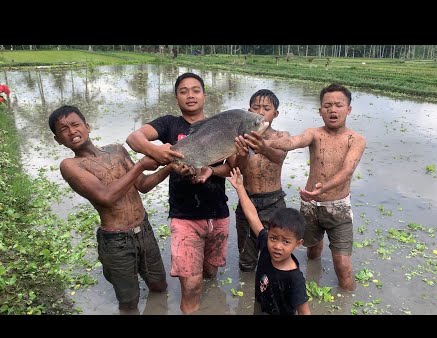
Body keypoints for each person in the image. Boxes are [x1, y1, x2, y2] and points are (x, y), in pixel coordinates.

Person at [126, 72, 232, 314]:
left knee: (210, 273)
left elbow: (232, 168)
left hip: (218, 214)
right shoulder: (168, 124)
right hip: (184, 216)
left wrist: (210, 171)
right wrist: (158, 152)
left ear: (204, 95)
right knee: (192, 286)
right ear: (176, 97)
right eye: (183, 91)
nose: (190, 95)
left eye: (196, 90)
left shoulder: (221, 124)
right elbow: (134, 138)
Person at [48, 105, 171, 311]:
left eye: (75, 124)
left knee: (159, 286)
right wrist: (141, 164)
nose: (72, 131)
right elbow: (106, 197)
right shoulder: (71, 165)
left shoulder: (117, 150)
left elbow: (143, 185)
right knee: (129, 301)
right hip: (116, 241)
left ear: (87, 126)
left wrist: (170, 166)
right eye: (63, 130)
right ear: (58, 140)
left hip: (145, 230)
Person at [267, 83, 366, 291]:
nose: (333, 110)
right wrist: (268, 142)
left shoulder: (356, 139)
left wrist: (324, 187)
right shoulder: (314, 133)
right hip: (311, 206)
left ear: (348, 109)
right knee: (312, 253)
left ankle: (347, 295)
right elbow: (293, 141)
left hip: (338, 208)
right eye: (327, 105)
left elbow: (347, 170)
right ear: (320, 110)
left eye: (338, 105)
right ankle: (313, 285)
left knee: (343, 266)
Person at [227, 167, 310, 315]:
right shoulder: (266, 245)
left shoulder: (294, 278)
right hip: (260, 306)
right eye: (273, 238)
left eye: (286, 242)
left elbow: (304, 312)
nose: (277, 246)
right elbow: (253, 216)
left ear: (298, 244)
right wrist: (240, 187)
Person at [233, 89, 289, 272]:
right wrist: (242, 153)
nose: (261, 112)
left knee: (277, 257)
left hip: (274, 202)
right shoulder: (239, 138)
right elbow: (235, 168)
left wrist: (263, 147)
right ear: (248, 111)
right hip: (247, 200)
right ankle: (248, 294)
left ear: (276, 113)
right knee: (246, 261)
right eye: (256, 108)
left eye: (266, 108)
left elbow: (279, 157)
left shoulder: (281, 136)